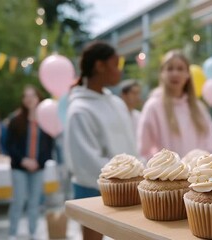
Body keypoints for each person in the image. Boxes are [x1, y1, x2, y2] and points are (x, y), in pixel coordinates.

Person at [64, 41, 138, 240]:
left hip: (127, 187)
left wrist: (137, 172)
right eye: (115, 64)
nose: (120, 71)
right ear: (99, 66)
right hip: (93, 189)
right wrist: (124, 178)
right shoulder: (79, 110)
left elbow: (130, 144)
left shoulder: (116, 102)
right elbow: (85, 161)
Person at [138, 50, 212, 159]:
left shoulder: (199, 108)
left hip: (198, 173)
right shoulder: (153, 106)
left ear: (188, 74)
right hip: (166, 174)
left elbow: (210, 144)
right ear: (162, 73)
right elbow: (144, 150)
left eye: (180, 69)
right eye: (170, 69)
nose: (175, 73)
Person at [7, 86, 54, 239]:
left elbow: (49, 147)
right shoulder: (15, 120)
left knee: (35, 201)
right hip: (19, 167)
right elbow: (9, 145)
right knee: (19, 200)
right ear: (23, 100)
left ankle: (33, 232)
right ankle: (12, 232)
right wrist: (23, 160)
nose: (29, 98)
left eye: (32, 95)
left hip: (38, 168)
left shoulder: (45, 121)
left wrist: (38, 162)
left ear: (38, 97)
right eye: (26, 96)